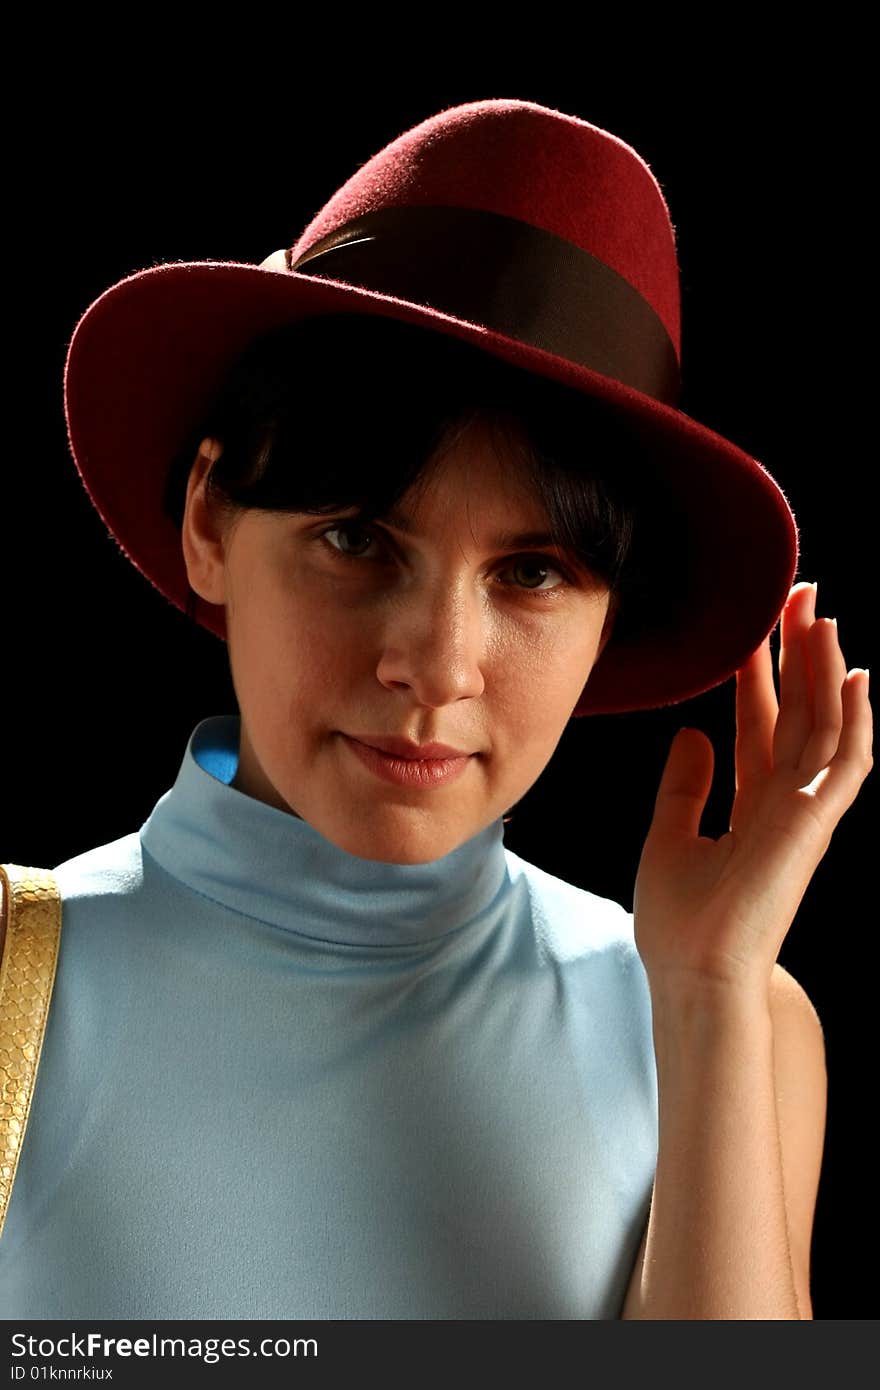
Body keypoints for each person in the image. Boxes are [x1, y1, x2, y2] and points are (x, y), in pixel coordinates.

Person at [0, 98, 872, 1321]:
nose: (439, 666)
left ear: (607, 617)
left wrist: (710, 993)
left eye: (531, 574)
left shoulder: (731, 1024)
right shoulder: (11, 981)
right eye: (356, 538)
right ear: (208, 522)